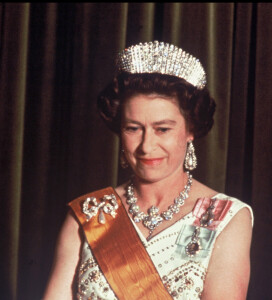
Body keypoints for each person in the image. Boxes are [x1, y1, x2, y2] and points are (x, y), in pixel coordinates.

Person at [43, 41, 253, 300]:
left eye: (162, 129)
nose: (146, 145)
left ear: (190, 131)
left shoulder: (219, 216)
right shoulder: (90, 213)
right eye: (133, 128)